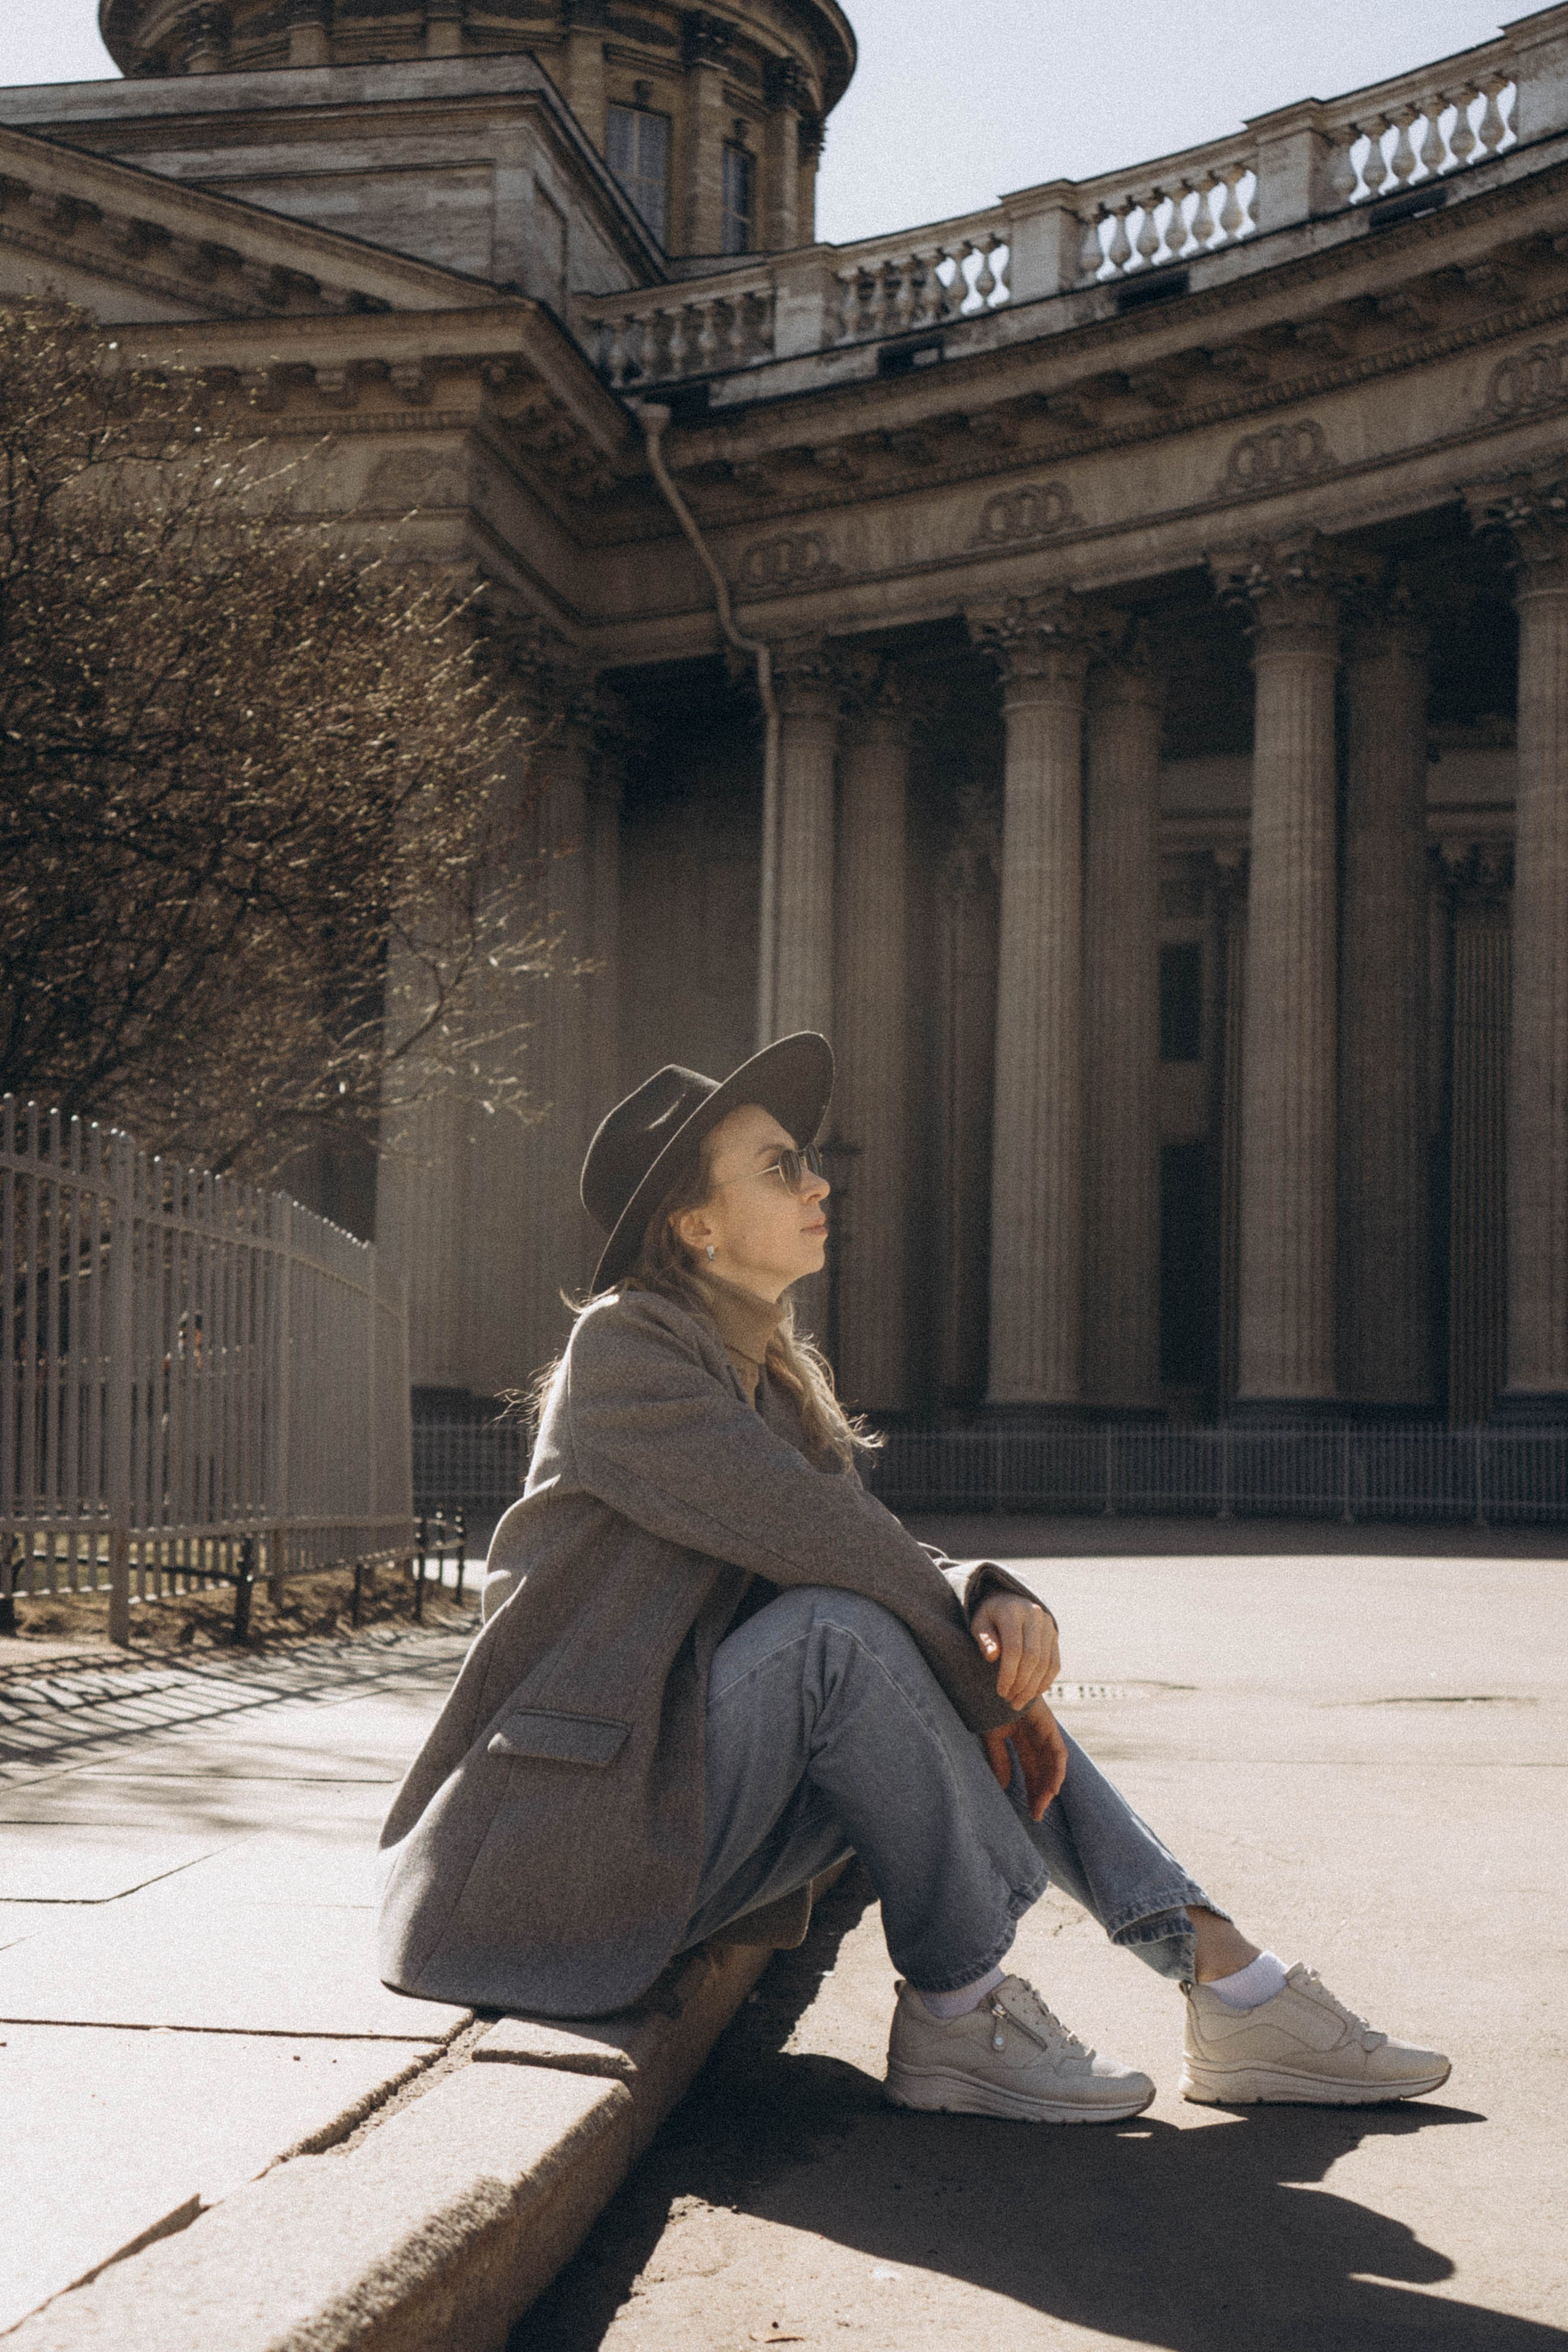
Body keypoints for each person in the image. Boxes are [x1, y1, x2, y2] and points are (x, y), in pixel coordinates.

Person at [379, 1033, 1450, 2122]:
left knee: (909, 1638)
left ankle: (1227, 1978)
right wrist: (990, 1682)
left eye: (807, 1162)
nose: (818, 1184)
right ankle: (964, 2007)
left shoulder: (767, 1380)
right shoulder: (625, 1352)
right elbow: (823, 1539)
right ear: (696, 1227)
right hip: (546, 1855)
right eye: (780, 1169)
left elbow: (866, 1546)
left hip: (662, 1811)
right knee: (840, 1636)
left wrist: (989, 1597)